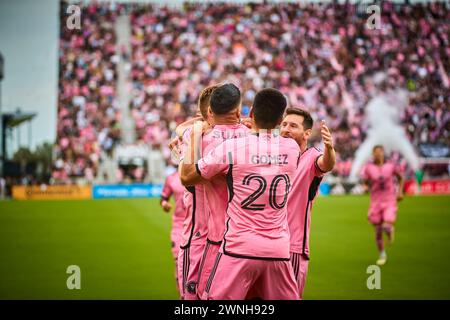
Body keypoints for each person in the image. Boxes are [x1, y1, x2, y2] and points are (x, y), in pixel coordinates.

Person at [180, 88, 300, 300]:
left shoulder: (226, 145)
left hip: (229, 243)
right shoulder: (291, 147)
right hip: (279, 248)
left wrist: (190, 132)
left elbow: (187, 175)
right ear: (282, 119)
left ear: (251, 112)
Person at [280, 107, 336, 299]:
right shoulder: (272, 155)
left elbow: (326, 164)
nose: (286, 128)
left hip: (292, 247)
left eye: (293, 126)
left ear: (307, 133)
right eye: (284, 124)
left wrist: (329, 148)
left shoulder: (311, 157)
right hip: (265, 244)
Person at [361, 145, 404, 266]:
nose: (378, 154)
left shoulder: (391, 166)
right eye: (376, 152)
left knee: (386, 226)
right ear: (373, 154)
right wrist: (365, 187)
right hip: (375, 202)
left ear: (383, 153)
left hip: (389, 199)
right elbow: (365, 181)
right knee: (378, 230)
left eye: (380, 152)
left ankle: (390, 231)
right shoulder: (369, 168)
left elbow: (400, 178)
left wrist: (400, 192)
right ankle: (382, 254)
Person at [160, 169, 185, 295]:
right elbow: (163, 198)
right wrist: (164, 204)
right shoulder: (172, 178)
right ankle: (182, 295)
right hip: (179, 225)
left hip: (200, 225)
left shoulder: (200, 172)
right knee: (178, 261)